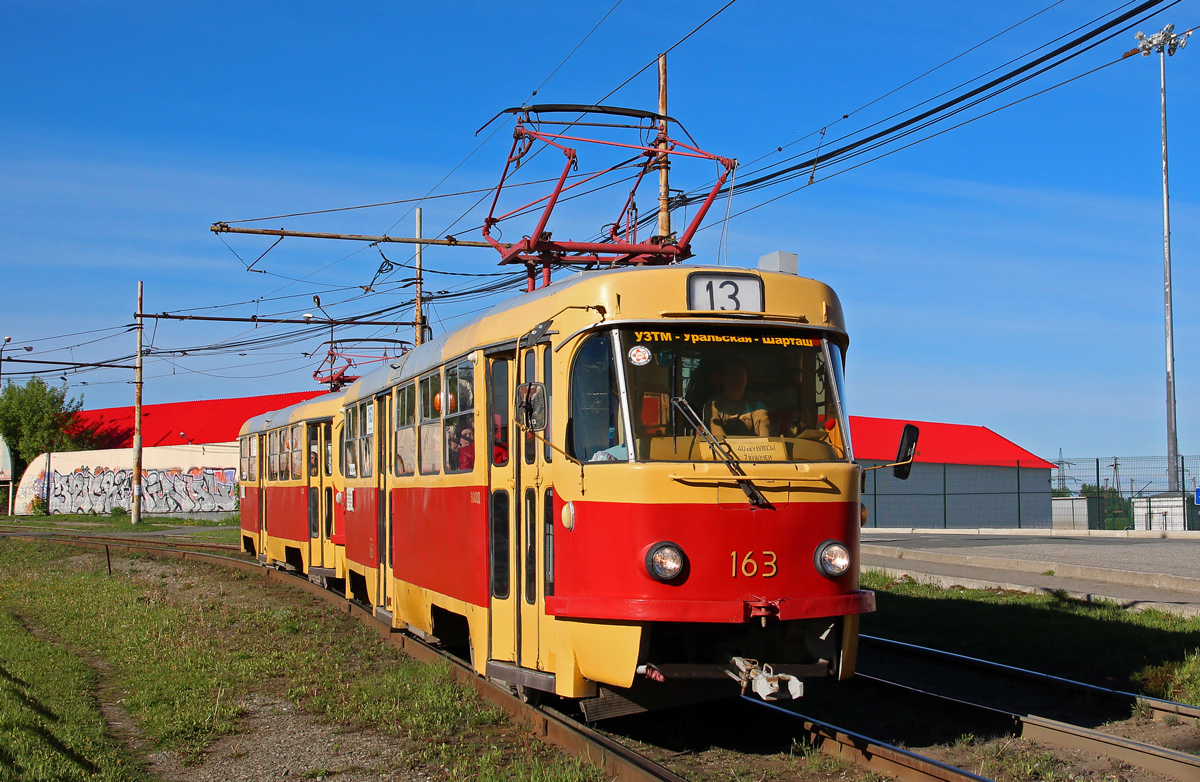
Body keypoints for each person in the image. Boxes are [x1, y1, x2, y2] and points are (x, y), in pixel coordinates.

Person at [707, 359, 770, 438]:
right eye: (732, 373)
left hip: (751, 448)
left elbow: (763, 427)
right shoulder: (713, 405)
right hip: (722, 449)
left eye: (741, 373)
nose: (737, 376)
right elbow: (715, 429)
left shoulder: (756, 404)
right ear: (723, 378)